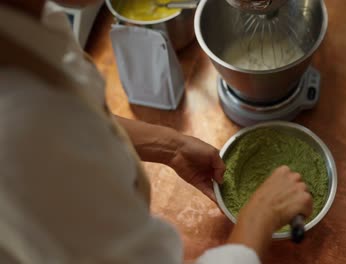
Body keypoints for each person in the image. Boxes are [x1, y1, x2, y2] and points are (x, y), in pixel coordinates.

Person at [0, 0, 313, 263]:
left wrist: (169, 146)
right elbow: (51, 129)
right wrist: (260, 215)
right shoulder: (24, 123)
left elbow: (70, 120)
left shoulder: (24, 22)